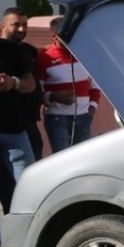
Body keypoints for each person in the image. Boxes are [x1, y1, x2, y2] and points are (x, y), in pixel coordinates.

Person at [0, 20, 38, 247]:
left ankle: (35, 240)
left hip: (14, 130)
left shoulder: (10, 50)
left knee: (30, 187)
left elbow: (30, 85)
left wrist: (12, 82)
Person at [0, 8, 43, 214]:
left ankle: (29, 228)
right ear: (3, 26)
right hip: (2, 126)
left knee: (29, 182)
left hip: (20, 127)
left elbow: (33, 84)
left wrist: (12, 82)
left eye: (25, 24)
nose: (22, 29)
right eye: (16, 24)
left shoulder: (24, 51)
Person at [38, 17, 102, 154]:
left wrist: (92, 109)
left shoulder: (84, 55)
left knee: (83, 158)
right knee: (63, 160)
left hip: (84, 117)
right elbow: (37, 92)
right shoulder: (44, 57)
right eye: (65, 33)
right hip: (57, 119)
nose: (70, 37)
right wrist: (53, 96)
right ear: (54, 36)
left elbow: (95, 86)